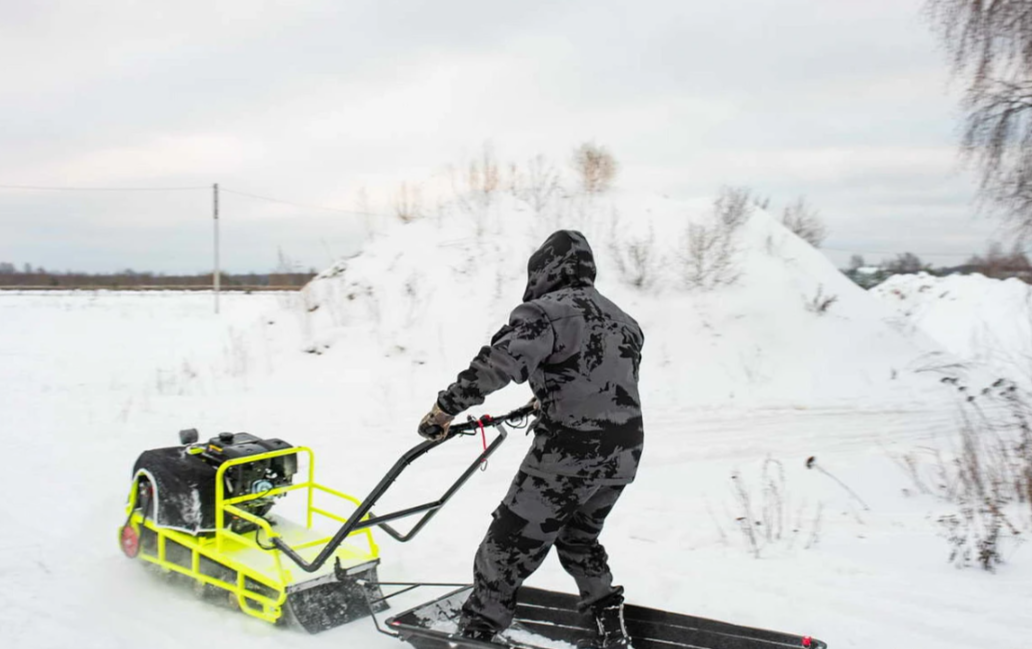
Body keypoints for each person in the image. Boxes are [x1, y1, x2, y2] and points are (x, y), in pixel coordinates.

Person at [417, 230, 644, 649]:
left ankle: (477, 632)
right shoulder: (624, 321)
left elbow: (496, 364)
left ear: (544, 270)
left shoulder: (546, 312)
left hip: (568, 454)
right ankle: (611, 626)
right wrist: (544, 400)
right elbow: (601, 383)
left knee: (504, 547)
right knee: (578, 539)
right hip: (623, 456)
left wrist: (445, 409)